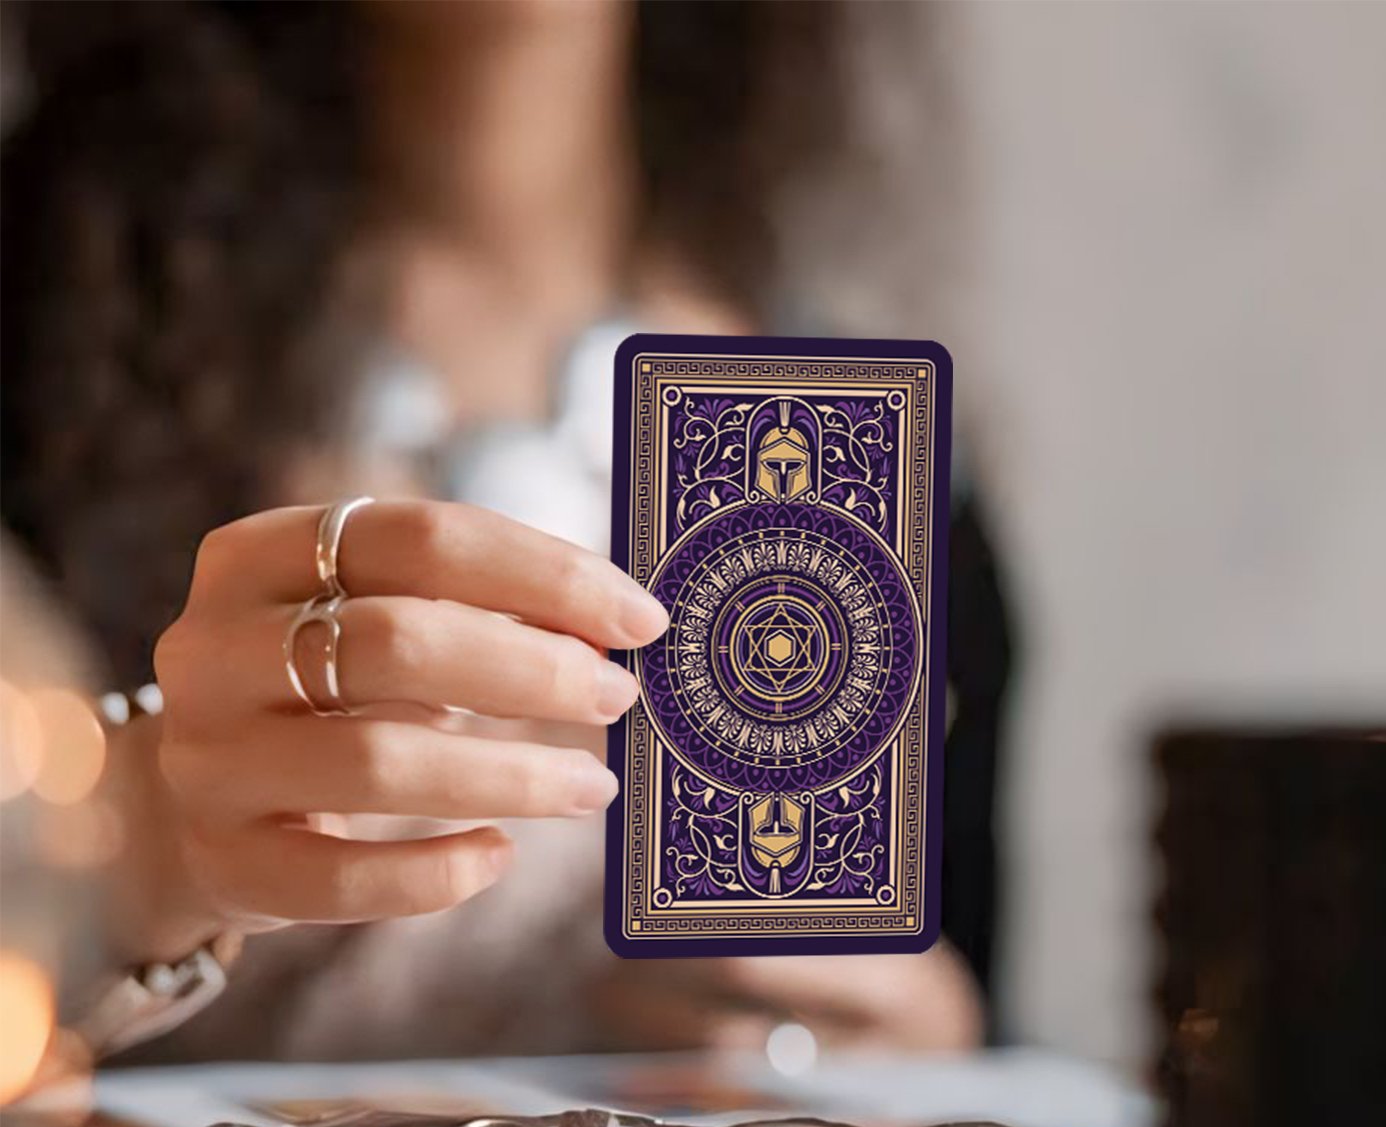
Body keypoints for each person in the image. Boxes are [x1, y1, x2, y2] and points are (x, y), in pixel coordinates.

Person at [2, 0, 996, 1059]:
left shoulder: (880, 452)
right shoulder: (40, 350)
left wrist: (927, 1052)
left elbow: (988, 988)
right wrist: (132, 854)